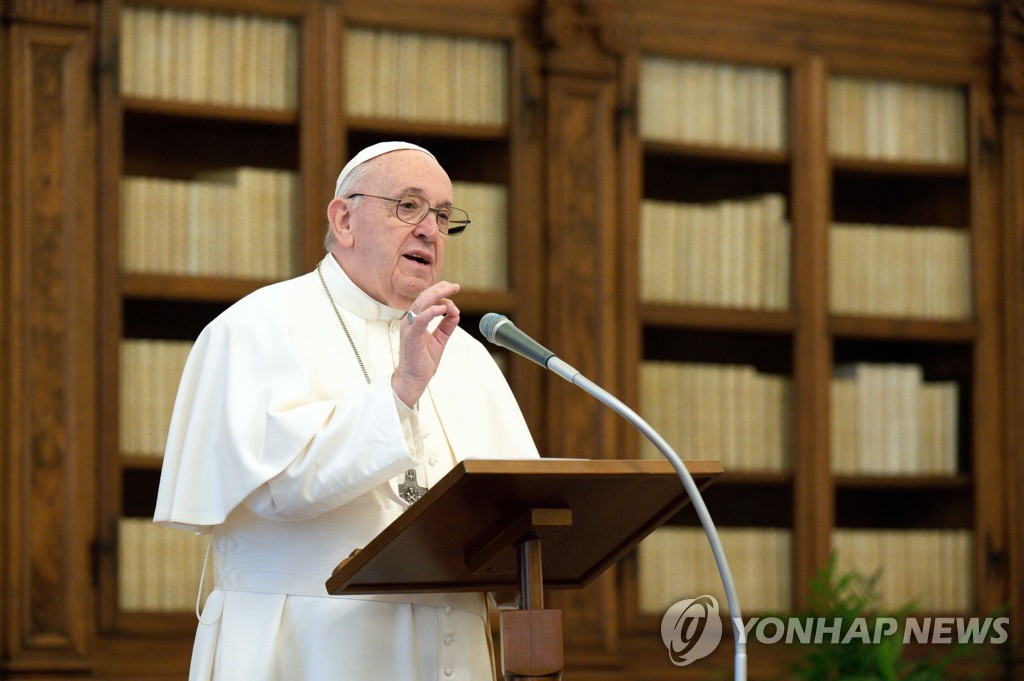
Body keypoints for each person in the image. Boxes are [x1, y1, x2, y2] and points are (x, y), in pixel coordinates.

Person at [154, 141, 540, 680]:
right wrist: (401, 389)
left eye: (444, 215)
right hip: (308, 650)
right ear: (345, 219)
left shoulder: (467, 356)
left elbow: (518, 516)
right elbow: (281, 488)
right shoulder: (257, 328)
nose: (430, 229)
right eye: (408, 206)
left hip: (455, 653)